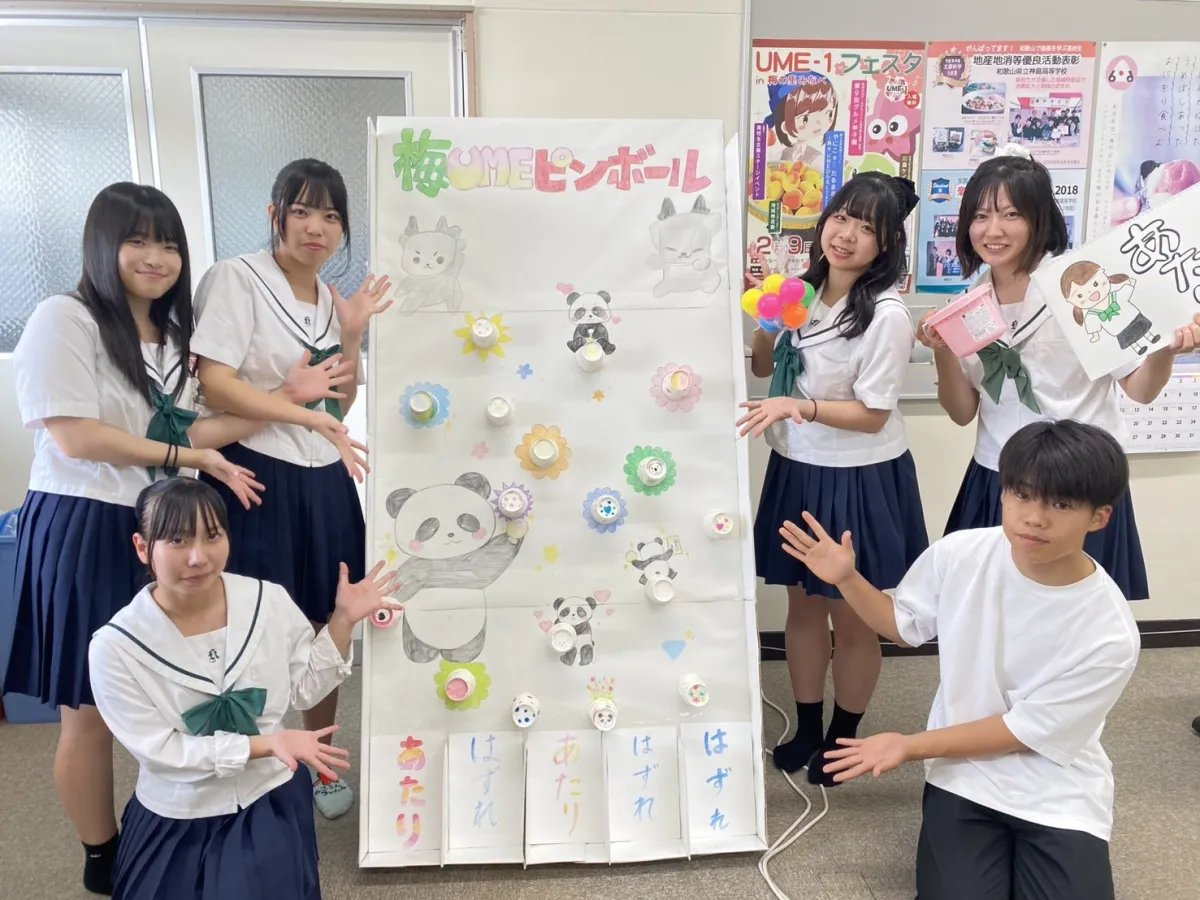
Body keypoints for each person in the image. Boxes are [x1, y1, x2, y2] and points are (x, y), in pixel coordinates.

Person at [0, 182, 271, 895]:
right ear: (103, 246)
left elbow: (191, 428)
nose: (157, 257)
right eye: (139, 241)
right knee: (89, 708)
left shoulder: (176, 337)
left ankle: (183, 823)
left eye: (169, 244)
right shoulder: (66, 317)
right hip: (87, 523)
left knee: (182, 680)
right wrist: (193, 456)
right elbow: (77, 435)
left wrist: (286, 404)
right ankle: (101, 852)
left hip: (166, 524)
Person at [779, 419, 1139, 900]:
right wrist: (847, 579)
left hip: (1059, 787)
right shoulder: (962, 553)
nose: (1034, 517)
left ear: (1099, 517)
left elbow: (1022, 733)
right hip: (965, 771)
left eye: (1060, 504)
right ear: (1003, 493)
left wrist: (910, 745)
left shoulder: (1110, 632)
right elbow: (902, 627)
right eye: (1022, 495)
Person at [190, 158, 392, 819]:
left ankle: (321, 760)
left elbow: (338, 402)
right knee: (247, 621)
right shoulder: (237, 278)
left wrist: (353, 333)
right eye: (301, 211)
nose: (316, 228)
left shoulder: (332, 301)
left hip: (324, 474)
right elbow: (215, 383)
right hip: (255, 472)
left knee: (326, 615)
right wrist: (292, 401)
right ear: (275, 214)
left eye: (331, 216)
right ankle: (254, 760)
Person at [89, 477, 399, 900]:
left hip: (267, 796)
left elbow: (305, 689)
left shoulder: (267, 601)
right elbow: (161, 752)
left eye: (212, 536)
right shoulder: (115, 647)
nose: (198, 557)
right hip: (179, 811)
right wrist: (268, 743)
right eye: (177, 540)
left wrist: (342, 620)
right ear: (143, 548)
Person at [918, 144, 1200, 602]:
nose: (993, 230)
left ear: (1040, 219)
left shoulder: (1079, 285)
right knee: (988, 610)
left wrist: (1165, 351)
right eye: (981, 215)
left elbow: (1141, 389)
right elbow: (962, 412)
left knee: (1073, 612)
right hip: (997, 477)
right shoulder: (969, 303)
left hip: (1076, 480)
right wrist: (943, 352)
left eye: (1011, 214)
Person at [738, 172, 928, 784]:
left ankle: (844, 737)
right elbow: (764, 366)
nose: (845, 235)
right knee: (801, 605)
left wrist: (800, 406)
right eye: (841, 218)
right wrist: (767, 318)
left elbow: (873, 416)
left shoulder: (887, 314)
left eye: (866, 227)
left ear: (887, 243)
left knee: (851, 613)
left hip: (859, 476)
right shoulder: (803, 291)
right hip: (798, 467)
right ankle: (807, 725)